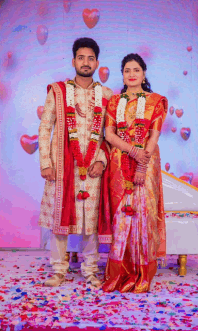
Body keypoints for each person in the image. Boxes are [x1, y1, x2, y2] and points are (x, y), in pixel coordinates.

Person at [38, 37, 113, 287]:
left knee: (90, 220)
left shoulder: (107, 95)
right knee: (60, 217)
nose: (85, 62)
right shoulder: (58, 92)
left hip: (92, 167)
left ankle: (90, 269)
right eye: (81, 57)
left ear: (97, 63)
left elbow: (109, 135)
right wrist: (46, 163)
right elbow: (45, 126)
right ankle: (59, 269)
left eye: (90, 58)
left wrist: (101, 161)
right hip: (62, 166)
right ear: (73, 61)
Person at [102, 53, 168, 293]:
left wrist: (141, 163)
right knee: (121, 218)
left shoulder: (155, 101)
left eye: (136, 70)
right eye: (127, 70)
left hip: (146, 163)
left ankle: (142, 274)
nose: (131, 74)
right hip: (119, 164)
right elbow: (109, 135)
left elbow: (153, 136)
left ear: (143, 73)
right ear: (123, 74)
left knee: (143, 216)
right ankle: (120, 273)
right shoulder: (114, 102)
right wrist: (131, 151)